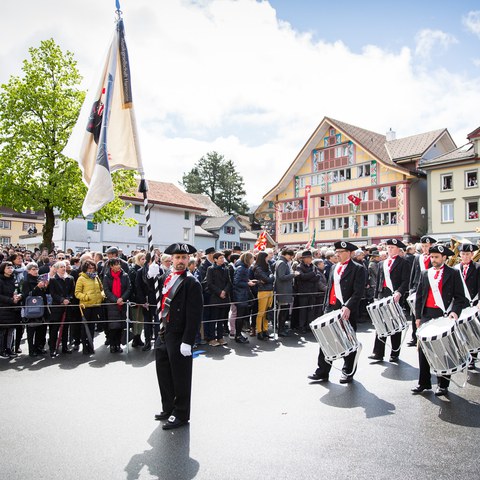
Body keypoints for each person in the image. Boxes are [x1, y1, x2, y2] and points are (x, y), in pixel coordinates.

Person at [154, 243, 203, 430]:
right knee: (163, 372)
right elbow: (154, 291)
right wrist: (147, 272)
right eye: (177, 257)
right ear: (171, 259)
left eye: (184, 258)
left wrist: (188, 341)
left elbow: (194, 314)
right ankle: (168, 407)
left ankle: (181, 413)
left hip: (179, 334)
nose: (181, 261)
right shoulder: (166, 276)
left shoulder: (192, 282)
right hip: (164, 330)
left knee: (180, 376)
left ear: (188, 259)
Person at [412, 244, 468, 396]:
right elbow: (419, 297)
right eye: (431, 257)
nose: (433, 260)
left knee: (443, 349)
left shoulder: (453, 273)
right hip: (427, 315)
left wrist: (455, 313)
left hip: (444, 315)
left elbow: (460, 298)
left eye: (436, 257)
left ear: (444, 258)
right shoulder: (425, 273)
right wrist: (418, 317)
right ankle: (423, 383)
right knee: (423, 350)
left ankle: (443, 384)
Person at [308, 241, 364, 384]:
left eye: (341, 252)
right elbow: (329, 288)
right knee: (326, 341)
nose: (337, 254)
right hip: (331, 308)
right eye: (336, 252)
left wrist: (349, 306)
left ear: (349, 253)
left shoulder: (358, 268)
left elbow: (358, 292)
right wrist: (326, 307)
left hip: (346, 310)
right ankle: (322, 372)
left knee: (348, 341)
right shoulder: (334, 267)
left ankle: (348, 372)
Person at [368, 239, 411, 362]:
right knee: (381, 324)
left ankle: (394, 353)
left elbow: (405, 281)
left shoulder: (404, 262)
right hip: (383, 294)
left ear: (398, 249)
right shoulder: (382, 263)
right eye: (388, 247)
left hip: (395, 295)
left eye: (392, 247)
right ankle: (378, 352)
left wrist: (399, 292)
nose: (390, 249)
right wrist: (376, 297)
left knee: (395, 325)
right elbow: (379, 281)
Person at [408, 236, 436, 347]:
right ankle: (414, 337)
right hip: (417, 287)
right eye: (423, 246)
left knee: (425, 313)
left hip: (429, 287)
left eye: (427, 246)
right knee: (416, 313)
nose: (425, 249)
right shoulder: (417, 257)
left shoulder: (435, 257)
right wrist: (411, 288)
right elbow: (413, 273)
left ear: (431, 246)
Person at [456, 243, 480, 369]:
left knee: (472, 332)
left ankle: (472, 358)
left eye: (467, 254)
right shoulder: (455, 268)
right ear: (459, 254)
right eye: (463, 254)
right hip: (461, 304)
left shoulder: (477, 267)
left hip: (474, 304)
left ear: (472, 254)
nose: (465, 256)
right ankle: (463, 355)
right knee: (461, 331)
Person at [75, 260, 105, 355]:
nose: (91, 270)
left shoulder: (96, 277)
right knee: (85, 328)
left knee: (92, 327)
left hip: (96, 305)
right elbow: (77, 293)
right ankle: (85, 346)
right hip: (86, 306)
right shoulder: (81, 278)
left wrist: (102, 295)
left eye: (93, 268)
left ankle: (91, 345)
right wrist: (86, 297)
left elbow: (102, 288)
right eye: (89, 268)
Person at [103, 258, 131, 353]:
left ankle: (118, 345)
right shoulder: (107, 276)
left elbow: (128, 288)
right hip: (112, 304)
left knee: (120, 326)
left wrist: (122, 298)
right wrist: (116, 300)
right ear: (111, 266)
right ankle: (112, 345)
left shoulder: (125, 275)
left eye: (119, 264)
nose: (118, 266)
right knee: (112, 327)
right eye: (116, 264)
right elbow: (106, 290)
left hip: (122, 304)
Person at [48, 261, 75, 357]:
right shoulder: (53, 280)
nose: (63, 268)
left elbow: (72, 291)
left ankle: (64, 347)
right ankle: (53, 348)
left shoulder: (70, 278)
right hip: (57, 307)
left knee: (65, 328)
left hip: (67, 307)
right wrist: (62, 300)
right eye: (61, 267)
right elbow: (53, 293)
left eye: (64, 267)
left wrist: (68, 299)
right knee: (54, 329)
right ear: (56, 269)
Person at [22, 262, 49, 357]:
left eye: (36, 269)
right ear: (28, 271)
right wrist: (38, 287)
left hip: (41, 307)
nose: (36, 271)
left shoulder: (40, 279)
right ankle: (31, 349)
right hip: (31, 309)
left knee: (41, 330)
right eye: (33, 269)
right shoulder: (26, 281)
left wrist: (45, 286)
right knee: (31, 330)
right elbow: (27, 295)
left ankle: (38, 347)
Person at [205, 252, 231, 346]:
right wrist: (220, 292)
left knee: (221, 319)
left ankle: (220, 337)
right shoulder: (211, 269)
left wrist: (225, 291)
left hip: (224, 297)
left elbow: (229, 282)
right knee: (213, 319)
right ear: (215, 259)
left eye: (223, 258)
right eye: (220, 258)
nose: (222, 259)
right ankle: (212, 339)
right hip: (215, 297)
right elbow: (209, 283)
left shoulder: (226, 268)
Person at [295, 250, 322, 334]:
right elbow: (301, 277)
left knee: (311, 309)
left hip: (312, 291)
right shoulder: (299, 266)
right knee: (303, 310)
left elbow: (318, 277)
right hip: (304, 292)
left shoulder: (313, 266)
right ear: (304, 259)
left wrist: (309, 276)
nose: (310, 259)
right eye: (309, 258)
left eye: (311, 258)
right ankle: (301, 326)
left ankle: (308, 325)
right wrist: (312, 274)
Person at [274, 248, 299, 337]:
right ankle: (281, 329)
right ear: (285, 254)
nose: (291, 258)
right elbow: (281, 277)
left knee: (284, 310)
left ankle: (282, 328)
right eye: (290, 256)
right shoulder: (282, 263)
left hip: (284, 289)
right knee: (283, 311)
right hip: (283, 290)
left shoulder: (282, 262)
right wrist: (293, 275)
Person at [232, 252, 256, 343]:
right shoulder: (242, 268)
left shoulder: (243, 268)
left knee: (241, 316)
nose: (253, 260)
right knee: (240, 316)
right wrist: (247, 283)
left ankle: (238, 335)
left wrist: (248, 281)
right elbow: (236, 282)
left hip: (242, 295)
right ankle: (238, 336)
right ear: (248, 259)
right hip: (240, 296)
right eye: (252, 258)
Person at [0, 262, 22, 358]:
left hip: (13, 308)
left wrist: (19, 296)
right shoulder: (0, 280)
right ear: (3, 269)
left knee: (11, 331)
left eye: (11, 267)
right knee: (2, 331)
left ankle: (9, 348)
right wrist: (10, 300)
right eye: (8, 267)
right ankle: (1, 350)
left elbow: (18, 290)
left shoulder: (14, 279)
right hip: (4, 308)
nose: (10, 269)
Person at [253, 251, 274, 340]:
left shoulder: (267, 265)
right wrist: (270, 277)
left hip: (270, 290)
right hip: (263, 291)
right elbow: (268, 279)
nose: (268, 258)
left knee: (267, 312)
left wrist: (270, 277)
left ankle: (265, 330)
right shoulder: (258, 268)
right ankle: (259, 331)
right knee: (261, 312)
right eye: (266, 257)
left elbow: (271, 277)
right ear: (263, 258)